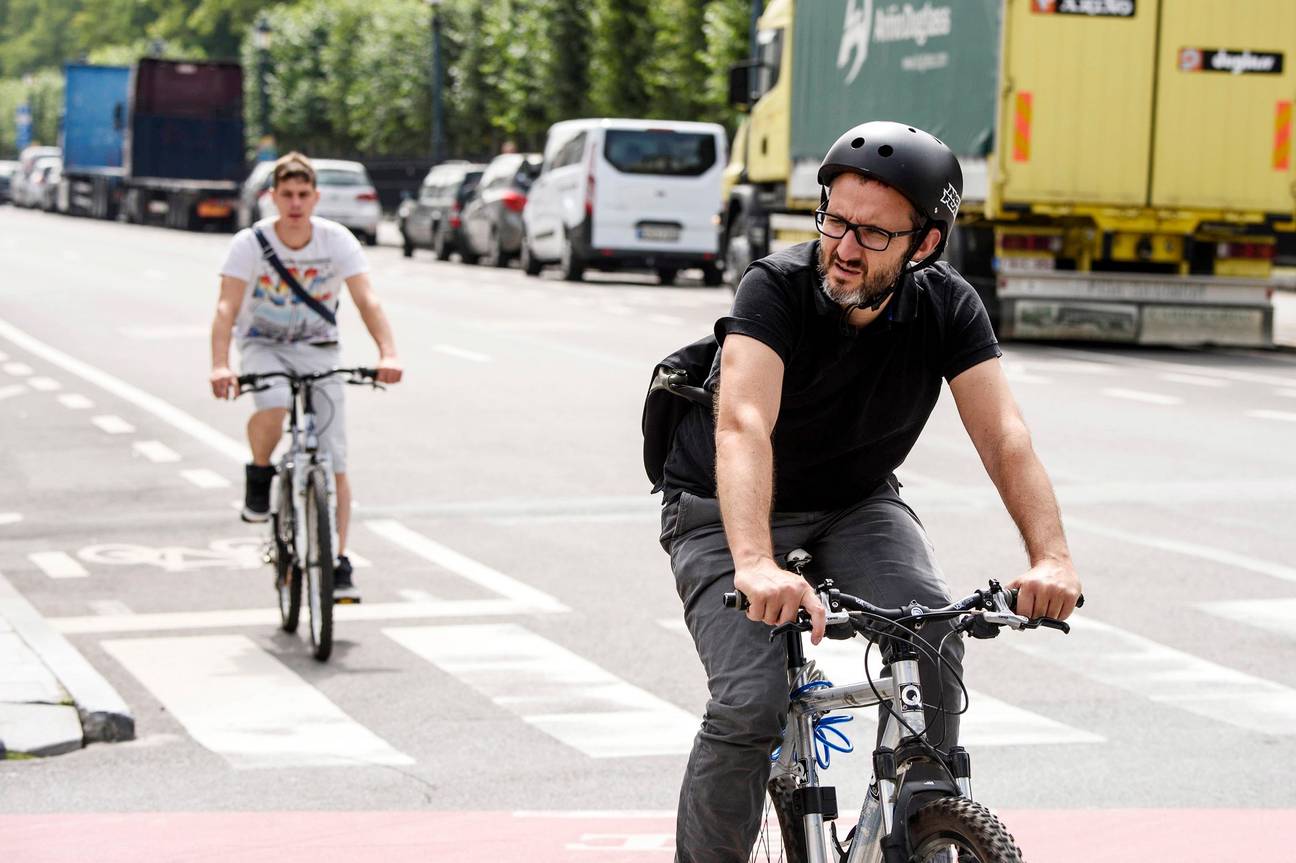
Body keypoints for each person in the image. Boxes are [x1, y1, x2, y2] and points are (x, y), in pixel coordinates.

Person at [658, 121, 1082, 862]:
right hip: (723, 509)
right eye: (836, 220)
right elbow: (743, 423)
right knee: (751, 702)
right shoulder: (775, 288)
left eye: (874, 234)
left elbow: (1004, 435)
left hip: (855, 500)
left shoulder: (947, 307)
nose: (844, 247)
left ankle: (923, 822)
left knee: (932, 632)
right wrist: (755, 561)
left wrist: (1051, 557)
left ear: (924, 244)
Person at [209, 151, 403, 601]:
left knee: (334, 458)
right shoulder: (249, 244)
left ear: (315, 198)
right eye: (287, 195)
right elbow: (226, 306)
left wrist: (388, 353)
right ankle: (260, 473)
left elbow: (366, 300)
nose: (295, 204)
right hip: (264, 345)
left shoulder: (336, 241)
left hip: (320, 350)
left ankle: (336, 560)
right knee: (274, 405)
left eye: (303, 195)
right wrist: (221, 364)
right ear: (273, 197)